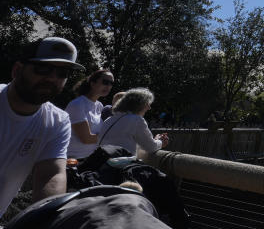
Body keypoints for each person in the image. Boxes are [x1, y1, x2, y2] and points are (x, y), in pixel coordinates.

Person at [0, 37, 83, 216]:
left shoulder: (58, 122)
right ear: (17, 70)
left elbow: (51, 174)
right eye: (43, 68)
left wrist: (43, 222)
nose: (52, 78)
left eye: (63, 73)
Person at [96, 88, 170, 156]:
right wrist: (160, 141)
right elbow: (151, 147)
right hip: (118, 166)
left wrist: (155, 140)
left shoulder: (109, 119)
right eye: (147, 104)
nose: (149, 108)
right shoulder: (136, 119)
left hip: (102, 164)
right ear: (139, 104)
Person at [65, 68, 114, 160]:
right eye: (105, 82)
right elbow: (86, 139)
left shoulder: (99, 106)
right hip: (73, 160)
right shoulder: (78, 104)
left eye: (111, 83)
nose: (109, 86)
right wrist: (112, 136)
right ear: (92, 83)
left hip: (90, 160)